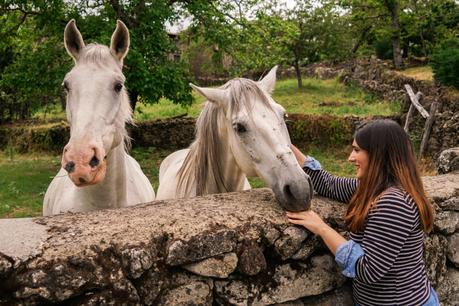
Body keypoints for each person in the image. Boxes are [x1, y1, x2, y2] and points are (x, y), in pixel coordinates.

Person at [287, 119, 439, 306]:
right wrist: (283, 144)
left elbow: (368, 270)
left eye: (357, 150)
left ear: (379, 154)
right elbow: (328, 184)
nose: (350, 158)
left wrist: (322, 228)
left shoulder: (394, 202)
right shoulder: (372, 188)